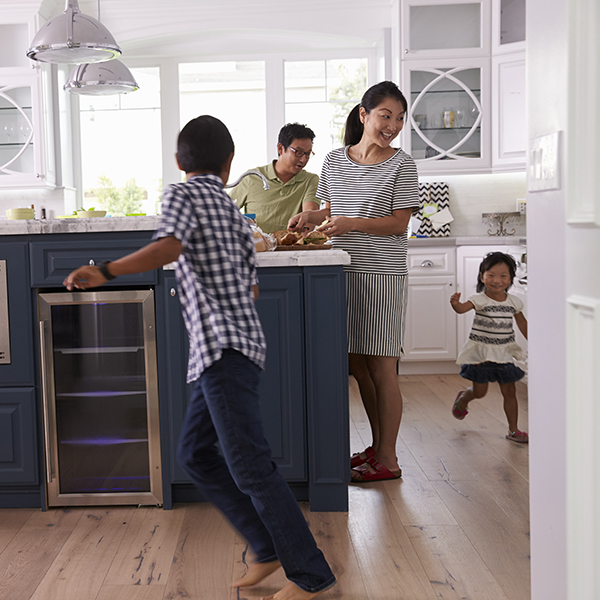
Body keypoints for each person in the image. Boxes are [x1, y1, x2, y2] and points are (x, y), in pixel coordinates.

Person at [63, 115, 336, 600]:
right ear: (230, 164)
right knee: (195, 454)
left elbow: (170, 245)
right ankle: (266, 548)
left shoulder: (181, 195)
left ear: (177, 162)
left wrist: (104, 270)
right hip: (239, 348)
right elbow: (250, 289)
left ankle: (311, 577)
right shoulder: (234, 213)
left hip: (221, 350)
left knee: (251, 466)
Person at [288, 81, 420, 482]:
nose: (393, 125)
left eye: (399, 119)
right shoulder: (333, 160)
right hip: (341, 270)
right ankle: (378, 449)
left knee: (383, 365)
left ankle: (390, 460)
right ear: (364, 115)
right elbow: (330, 210)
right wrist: (312, 218)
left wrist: (351, 223)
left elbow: (399, 224)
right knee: (357, 364)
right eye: (385, 116)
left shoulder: (403, 164)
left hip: (382, 273)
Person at [450, 251, 529, 443]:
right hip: (481, 355)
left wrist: (536, 343)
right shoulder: (479, 300)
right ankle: (463, 400)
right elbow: (462, 309)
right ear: (482, 276)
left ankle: (513, 430)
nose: (497, 280)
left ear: (510, 279)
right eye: (491, 275)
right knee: (480, 392)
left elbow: (523, 324)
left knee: (509, 392)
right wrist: (455, 303)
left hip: (504, 354)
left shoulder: (514, 302)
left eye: (503, 276)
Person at [228, 122, 319, 233]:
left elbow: (310, 216)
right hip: (259, 248)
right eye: (299, 153)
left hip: (293, 248)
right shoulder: (252, 178)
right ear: (281, 149)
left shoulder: (310, 180)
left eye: (308, 154)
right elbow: (225, 212)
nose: (303, 159)